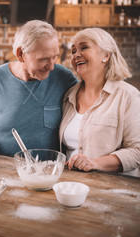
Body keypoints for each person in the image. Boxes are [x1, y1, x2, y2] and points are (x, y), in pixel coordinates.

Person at [0, 20, 77, 156]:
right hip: (3, 171)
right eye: (43, 59)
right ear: (20, 54)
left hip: (49, 172)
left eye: (54, 57)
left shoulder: (64, 78)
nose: (51, 66)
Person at [59, 27, 140, 177]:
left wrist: (95, 163)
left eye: (84, 47)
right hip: (71, 185)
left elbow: (137, 152)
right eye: (73, 51)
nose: (76, 55)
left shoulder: (128, 96)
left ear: (106, 55)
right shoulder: (68, 97)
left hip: (112, 189)